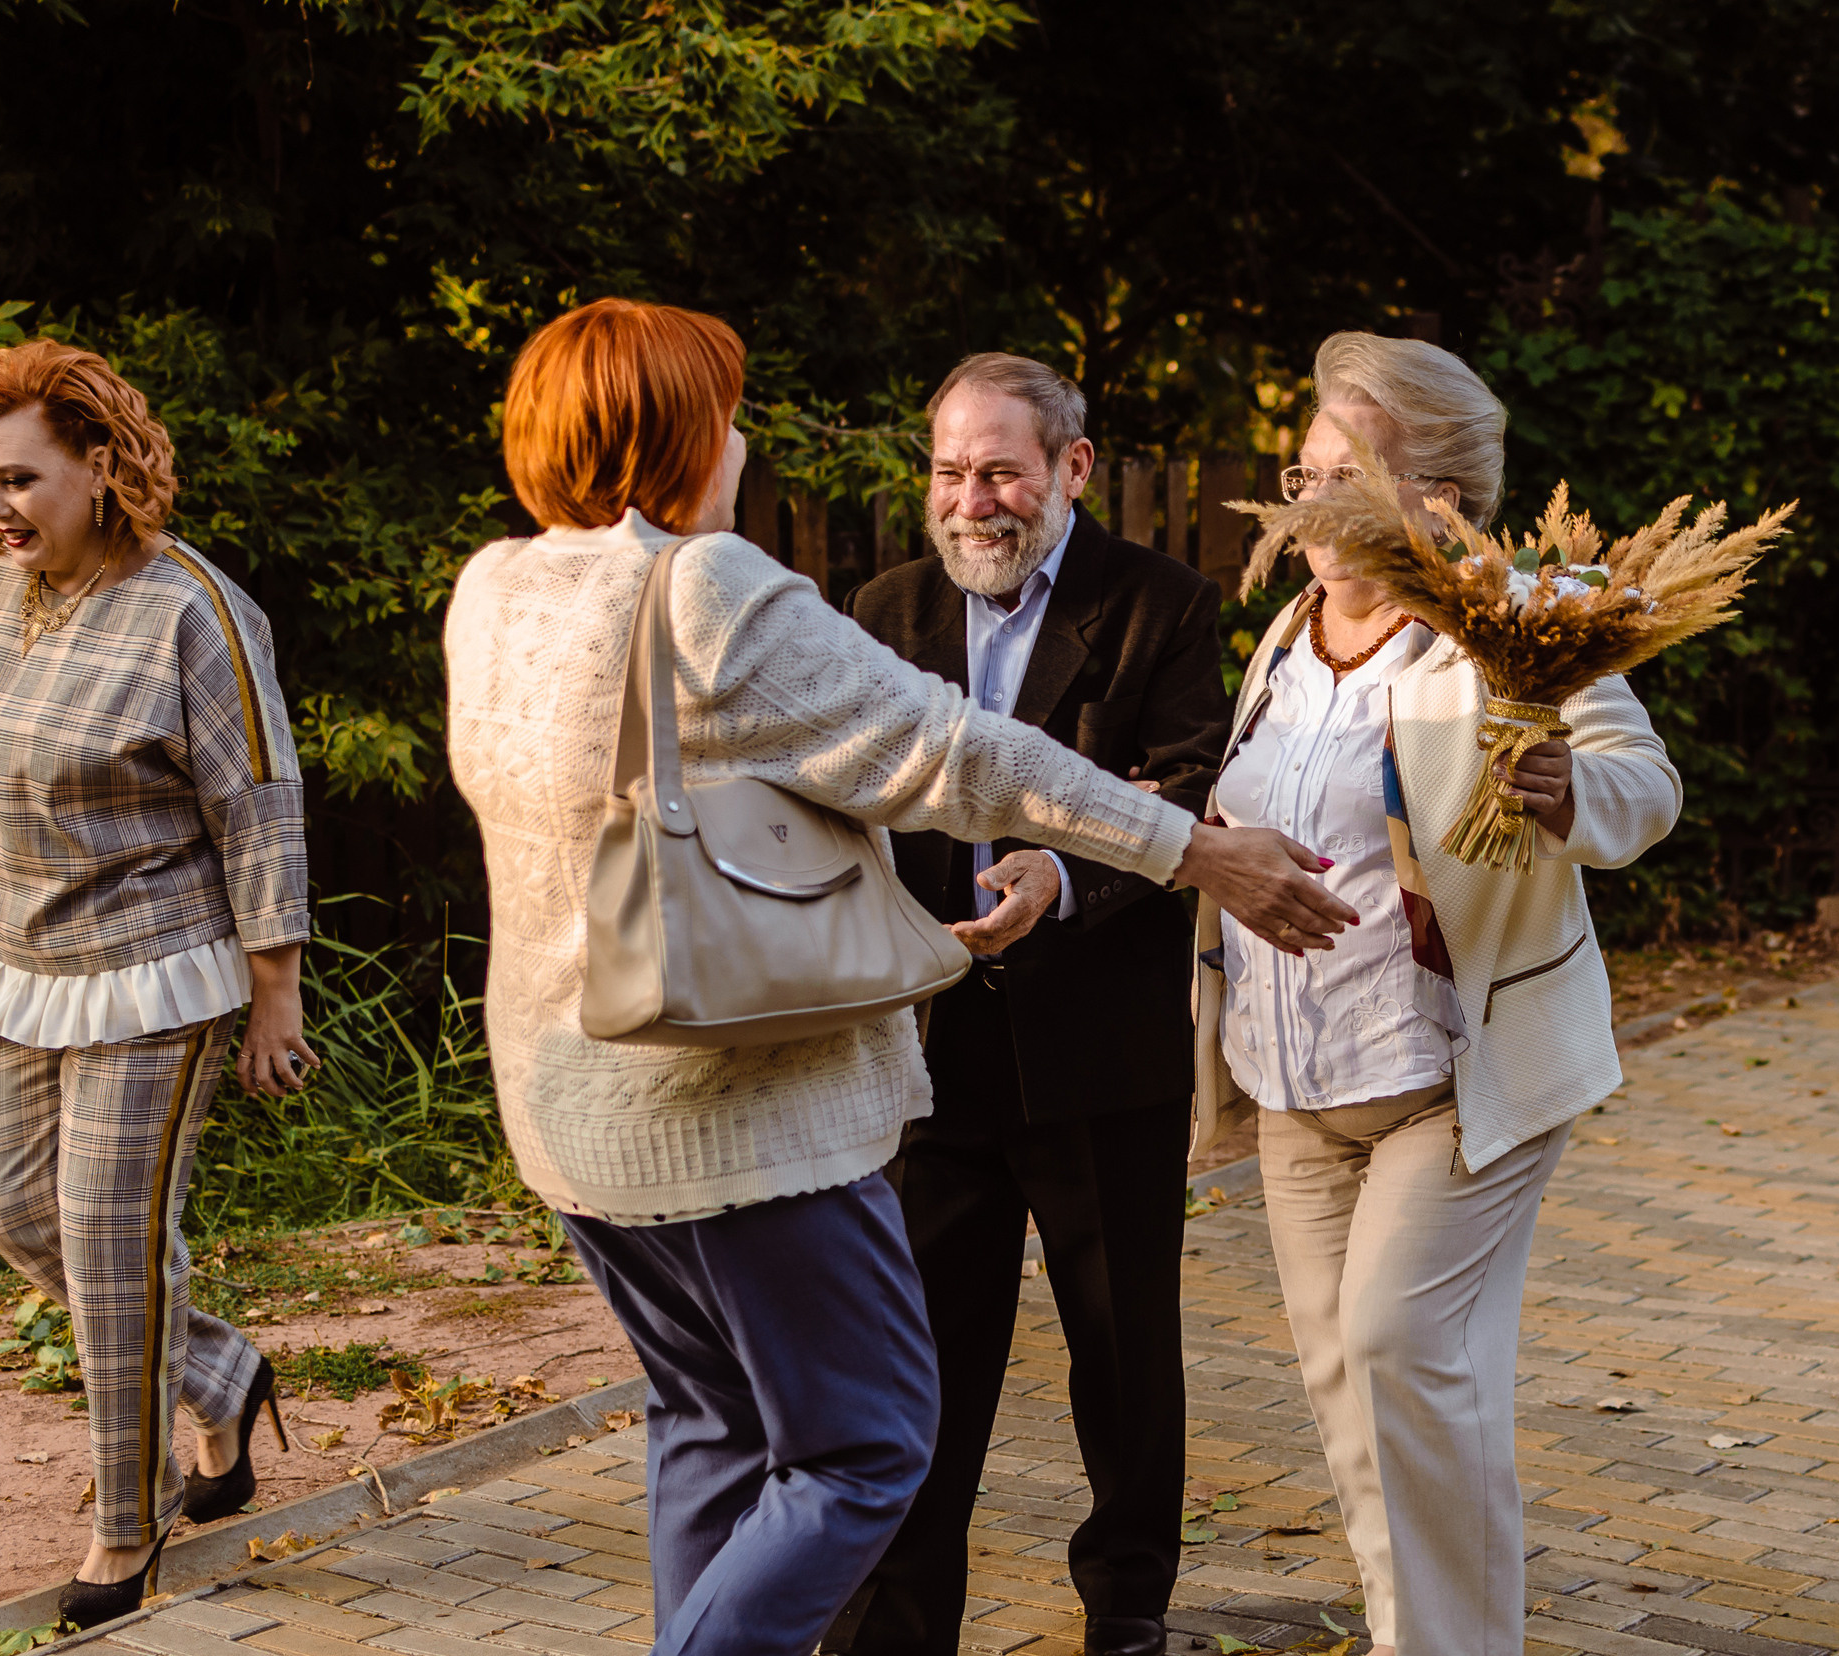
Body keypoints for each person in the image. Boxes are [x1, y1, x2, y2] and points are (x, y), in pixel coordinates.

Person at [442, 299, 1355, 1656]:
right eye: (730, 411)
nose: (743, 440)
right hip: (732, 1112)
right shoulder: (703, 588)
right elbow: (958, 753)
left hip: (574, 1116)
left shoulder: (497, 587)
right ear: (686, 431)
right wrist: (1197, 854)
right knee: (866, 1451)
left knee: (718, 1427)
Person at [1191, 333, 1683, 1656]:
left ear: (1439, 500)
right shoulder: (1288, 640)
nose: (1300, 507)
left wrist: (1571, 791)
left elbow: (1647, 782)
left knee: (1408, 1353)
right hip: (1298, 1090)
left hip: (1455, 1080)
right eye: (1297, 474)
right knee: (1353, 1392)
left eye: (1335, 478)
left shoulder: (1517, 628)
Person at [824, 355, 1224, 1656]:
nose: (973, 499)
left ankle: (1126, 1611)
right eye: (950, 471)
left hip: (1101, 1052)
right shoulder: (880, 611)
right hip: (929, 1060)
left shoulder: (1157, 607)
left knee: (1120, 1359)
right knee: (919, 1363)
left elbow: (1183, 794)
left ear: (1072, 467)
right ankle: (897, 1628)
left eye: (1000, 469)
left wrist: (1063, 873)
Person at [0, 340, 320, 1629]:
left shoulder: (190, 608)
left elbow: (258, 801)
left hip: (159, 972)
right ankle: (219, 1370)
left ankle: (130, 1526)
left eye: (18, 480)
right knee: (8, 1208)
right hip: (15, 957)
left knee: (112, 1247)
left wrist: (273, 991)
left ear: (100, 469)